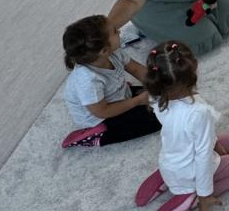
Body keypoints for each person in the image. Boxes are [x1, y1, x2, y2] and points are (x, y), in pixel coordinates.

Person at [134, 40, 229, 211]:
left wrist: (216, 146)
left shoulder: (156, 96)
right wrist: (204, 195)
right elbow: (202, 158)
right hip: (191, 170)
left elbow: (198, 139)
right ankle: (191, 197)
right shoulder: (198, 113)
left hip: (172, 161)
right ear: (193, 70)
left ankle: (167, 177)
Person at [59, 15, 159, 149]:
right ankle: (97, 135)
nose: (119, 31)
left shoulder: (114, 52)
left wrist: (157, 82)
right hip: (100, 116)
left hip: (118, 95)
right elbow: (102, 111)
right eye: (115, 31)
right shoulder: (88, 80)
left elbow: (135, 68)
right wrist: (138, 101)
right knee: (156, 119)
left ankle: (120, 92)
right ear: (104, 50)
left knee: (160, 95)